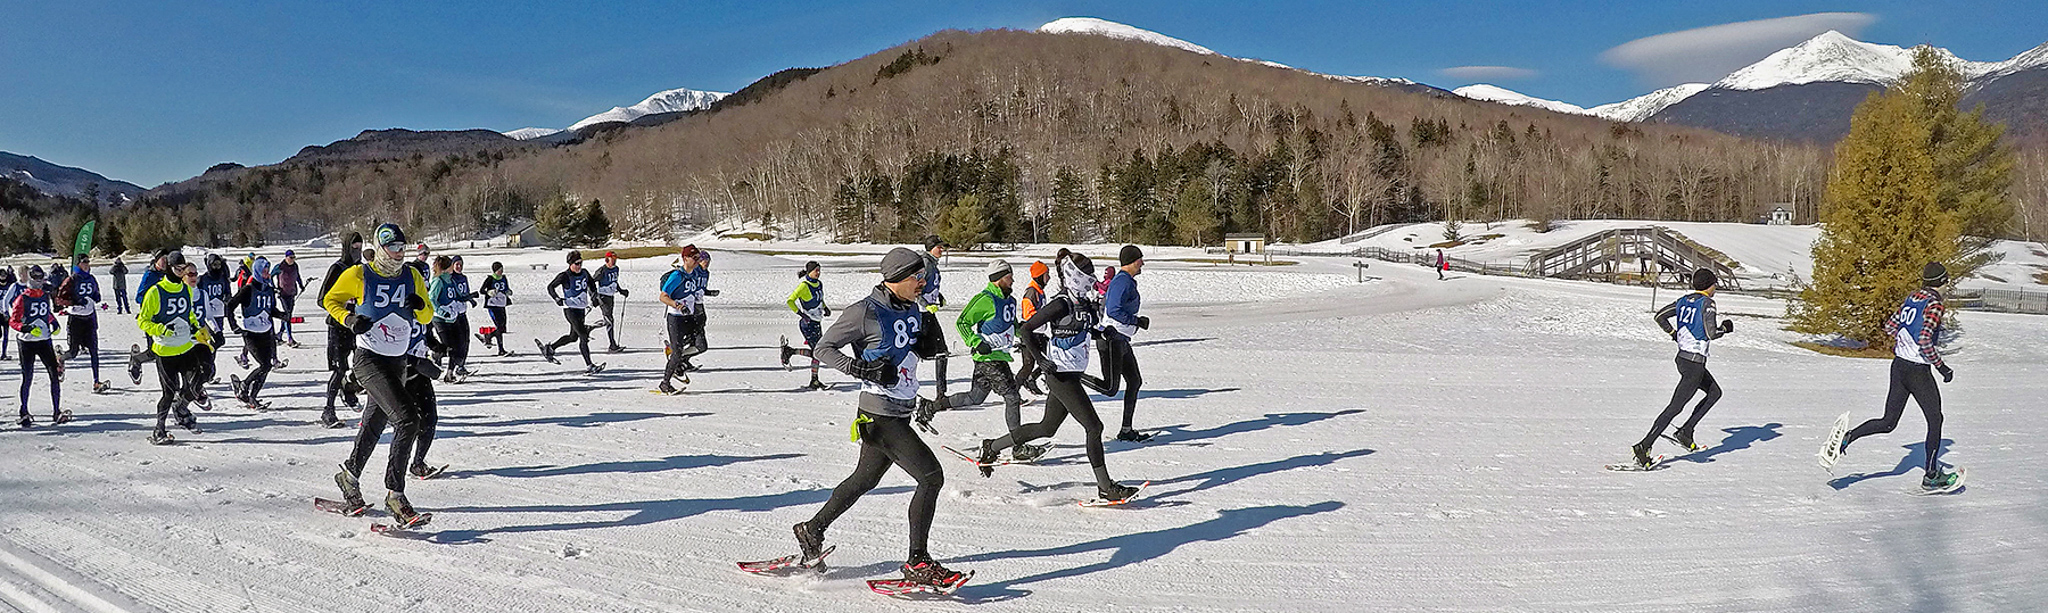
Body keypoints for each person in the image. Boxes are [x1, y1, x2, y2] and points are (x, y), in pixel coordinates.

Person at [785, 247, 967, 592]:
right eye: (916, 277)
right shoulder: (864, 312)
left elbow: (906, 353)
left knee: (863, 480)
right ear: (895, 278)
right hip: (879, 415)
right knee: (931, 477)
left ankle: (812, 528)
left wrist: (923, 347)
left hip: (899, 409)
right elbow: (824, 348)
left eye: (923, 276)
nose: (922, 282)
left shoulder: (913, 307)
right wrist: (857, 367)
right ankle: (918, 561)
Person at [974, 251, 1141, 504]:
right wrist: (1040, 360)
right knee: (1094, 427)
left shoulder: (1083, 302)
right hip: (1060, 375)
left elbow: (1087, 328)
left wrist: (1103, 331)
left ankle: (992, 446)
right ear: (1075, 275)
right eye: (1087, 272)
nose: (1092, 277)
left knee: (1047, 428)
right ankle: (1105, 487)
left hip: (1071, 372)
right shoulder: (1061, 303)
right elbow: (1028, 329)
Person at [323, 223, 436, 525]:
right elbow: (329, 300)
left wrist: (420, 304)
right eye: (393, 248)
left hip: (397, 361)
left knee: (374, 425)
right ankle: (395, 495)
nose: (399, 253)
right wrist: (348, 319)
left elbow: (427, 315)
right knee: (408, 419)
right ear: (381, 247)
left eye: (402, 247)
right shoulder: (359, 274)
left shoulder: (412, 275)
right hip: (369, 359)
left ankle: (348, 476)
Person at [1820, 262, 1963, 492]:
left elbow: (1890, 326)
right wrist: (1942, 367)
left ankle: (1847, 438)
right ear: (1941, 282)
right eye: (1947, 281)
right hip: (1918, 370)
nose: (1948, 285)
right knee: (1935, 420)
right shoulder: (1935, 304)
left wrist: (1905, 341)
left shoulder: (1913, 297)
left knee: (1888, 422)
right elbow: (1925, 340)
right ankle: (1931, 476)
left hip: (1899, 367)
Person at [925, 259, 1039, 460]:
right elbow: (962, 322)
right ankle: (1018, 447)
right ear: (997, 279)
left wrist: (1027, 333)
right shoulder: (985, 299)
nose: (1012, 280)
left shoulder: (1010, 301)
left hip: (999, 356)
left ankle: (932, 406)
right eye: (1008, 277)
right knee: (1012, 397)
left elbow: (1012, 326)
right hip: (988, 358)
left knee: (975, 398)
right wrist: (975, 341)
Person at [1630, 268, 1733, 468]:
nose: (1716, 288)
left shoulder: (1683, 300)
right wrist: (1725, 329)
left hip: (1684, 359)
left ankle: (1685, 432)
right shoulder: (1708, 303)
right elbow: (1711, 334)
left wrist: (1674, 333)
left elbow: (1660, 316)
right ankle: (1644, 446)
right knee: (1675, 407)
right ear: (1710, 285)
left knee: (1714, 392)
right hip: (1694, 363)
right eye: (1715, 284)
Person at [137, 253, 209, 443]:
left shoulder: (186, 289)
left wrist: (196, 327)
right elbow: (143, 321)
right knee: (169, 393)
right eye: (177, 269)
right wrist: (160, 328)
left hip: (185, 348)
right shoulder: (155, 292)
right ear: (169, 268)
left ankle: (182, 409)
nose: (180, 273)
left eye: (183, 269)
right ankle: (159, 430)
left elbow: (189, 313)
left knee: (197, 382)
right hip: (165, 351)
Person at [1084, 245, 1152, 442]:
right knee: (1110, 388)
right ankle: (1074, 377)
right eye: (1140, 260)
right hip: (1112, 339)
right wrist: (1137, 321)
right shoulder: (1122, 282)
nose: (1143, 264)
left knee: (1135, 381)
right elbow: (1113, 310)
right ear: (1131, 261)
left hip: (1120, 339)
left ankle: (1126, 429)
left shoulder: (1125, 281)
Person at [318, 233, 367, 427]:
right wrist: (345, 304)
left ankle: (349, 390)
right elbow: (322, 299)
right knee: (339, 369)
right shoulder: (337, 268)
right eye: (354, 248)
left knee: (364, 366)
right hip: (338, 326)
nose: (357, 252)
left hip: (358, 325)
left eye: (360, 247)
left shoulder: (362, 270)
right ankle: (328, 410)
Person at [225, 257, 285, 410]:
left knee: (267, 366)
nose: (266, 274)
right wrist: (234, 326)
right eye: (264, 271)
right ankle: (244, 386)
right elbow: (229, 306)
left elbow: (271, 310)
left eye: (268, 271)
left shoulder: (269, 289)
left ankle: (251, 396)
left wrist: (283, 315)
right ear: (257, 271)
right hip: (251, 334)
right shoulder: (248, 289)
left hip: (266, 333)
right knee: (264, 365)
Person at [11, 266, 68, 428]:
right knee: (27, 376)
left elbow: (45, 313)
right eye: (35, 279)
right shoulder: (22, 298)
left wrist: (54, 322)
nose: (38, 283)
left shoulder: (45, 295)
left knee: (54, 374)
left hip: (44, 340)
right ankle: (24, 411)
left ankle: (56, 411)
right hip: (27, 342)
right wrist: (25, 328)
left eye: (40, 279)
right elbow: (13, 320)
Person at [539, 251, 603, 373]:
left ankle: (550, 348)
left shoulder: (584, 273)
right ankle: (590, 365)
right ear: (570, 264)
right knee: (583, 336)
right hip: (570, 310)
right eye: (576, 263)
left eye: (581, 263)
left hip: (581, 310)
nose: (579, 266)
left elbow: (591, 284)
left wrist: (594, 296)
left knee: (573, 337)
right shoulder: (565, 275)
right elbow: (550, 287)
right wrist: (557, 298)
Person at [654, 246, 706, 394]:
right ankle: (665, 383)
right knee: (677, 351)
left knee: (701, 345)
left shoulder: (695, 273)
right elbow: (663, 296)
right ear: (685, 259)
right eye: (694, 258)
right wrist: (677, 305)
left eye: (698, 258)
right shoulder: (677, 275)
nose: (698, 261)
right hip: (675, 318)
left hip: (690, 316)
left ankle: (678, 361)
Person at [57, 254, 109, 393]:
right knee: (74, 352)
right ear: (78, 264)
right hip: (76, 319)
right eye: (84, 262)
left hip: (90, 319)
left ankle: (96, 382)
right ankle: (60, 358)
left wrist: (97, 298)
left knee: (94, 351)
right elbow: (59, 299)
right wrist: (75, 302)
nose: (87, 264)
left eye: (88, 261)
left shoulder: (91, 278)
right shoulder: (72, 279)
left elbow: (96, 293)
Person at [779, 261, 830, 391]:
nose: (818, 273)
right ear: (809, 272)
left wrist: (825, 307)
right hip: (807, 324)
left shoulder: (819, 284)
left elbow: (820, 299)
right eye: (816, 271)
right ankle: (814, 379)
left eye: (819, 270)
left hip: (817, 322)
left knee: (817, 352)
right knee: (818, 352)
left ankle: (790, 352)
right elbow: (790, 301)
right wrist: (801, 314)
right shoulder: (803, 286)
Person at [427, 255, 477, 381]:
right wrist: (441, 312)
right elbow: (432, 299)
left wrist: (469, 298)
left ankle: (450, 373)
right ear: (447, 267)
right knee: (447, 346)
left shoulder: (451, 280)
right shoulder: (438, 281)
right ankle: (436, 355)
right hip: (440, 319)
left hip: (452, 318)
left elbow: (457, 296)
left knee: (458, 345)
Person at [126, 251, 170, 384]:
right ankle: (137, 359)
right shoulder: (150, 275)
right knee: (154, 352)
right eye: (163, 259)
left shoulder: (169, 274)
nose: (165, 262)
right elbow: (139, 296)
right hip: (151, 318)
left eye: (167, 259)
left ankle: (170, 383)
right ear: (156, 261)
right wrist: (152, 302)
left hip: (166, 318)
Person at [918, 236, 951, 399]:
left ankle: (941, 393)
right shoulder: (925, 263)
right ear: (931, 248)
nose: (942, 250)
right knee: (913, 352)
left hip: (928, 313)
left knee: (941, 351)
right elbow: (915, 287)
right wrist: (925, 303)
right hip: (920, 313)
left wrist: (939, 296)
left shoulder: (932, 263)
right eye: (939, 247)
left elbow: (931, 284)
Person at [1014, 260, 1050, 396]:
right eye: (1047, 274)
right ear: (1040, 276)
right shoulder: (1031, 292)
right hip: (1030, 334)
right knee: (1028, 364)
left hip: (1039, 333)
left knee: (1049, 359)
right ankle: (1013, 392)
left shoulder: (1039, 291)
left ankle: (1031, 379)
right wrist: (1044, 316)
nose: (1049, 278)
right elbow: (1027, 314)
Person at [593, 251, 630, 353]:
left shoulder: (616, 269)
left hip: (610, 296)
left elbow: (614, 282)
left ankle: (589, 328)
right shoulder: (602, 270)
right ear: (606, 259)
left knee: (608, 319)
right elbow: (591, 282)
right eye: (612, 259)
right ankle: (612, 345)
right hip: (603, 297)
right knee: (609, 320)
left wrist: (621, 290)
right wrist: (594, 297)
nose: (614, 261)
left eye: (615, 259)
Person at [477, 262, 512, 355]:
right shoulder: (490, 279)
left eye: (502, 269)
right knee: (499, 326)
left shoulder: (504, 278)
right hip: (492, 305)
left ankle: (488, 336)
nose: (501, 272)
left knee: (503, 327)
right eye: (499, 270)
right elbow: (481, 290)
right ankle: (501, 349)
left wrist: (508, 291)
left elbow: (506, 288)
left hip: (502, 304)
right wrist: (488, 292)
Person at [274, 250, 305, 348]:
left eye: (294, 257)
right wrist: (275, 288)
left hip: (292, 292)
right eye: (291, 257)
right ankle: (290, 339)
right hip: (283, 293)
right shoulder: (280, 267)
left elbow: (297, 276)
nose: (293, 259)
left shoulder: (295, 266)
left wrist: (301, 285)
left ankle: (279, 335)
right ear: (286, 257)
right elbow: (270, 276)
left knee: (287, 315)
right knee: (287, 315)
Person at [0, 266, 16, 361]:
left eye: (4, 275)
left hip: (6, 313)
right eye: (1, 275)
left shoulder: (9, 286)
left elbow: (11, 299)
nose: (2, 277)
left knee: (6, 335)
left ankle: (4, 353)